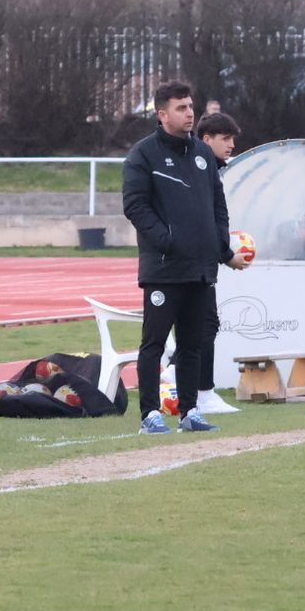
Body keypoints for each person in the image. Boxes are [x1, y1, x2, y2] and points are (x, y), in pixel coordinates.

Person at [122, 80, 244, 434]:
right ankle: (149, 414)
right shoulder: (142, 155)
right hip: (165, 268)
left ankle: (189, 411)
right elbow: (135, 207)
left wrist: (219, 246)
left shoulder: (204, 154)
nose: (189, 113)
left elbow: (217, 204)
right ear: (162, 114)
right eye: (181, 108)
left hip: (201, 268)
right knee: (154, 343)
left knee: (194, 343)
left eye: (191, 106)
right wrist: (168, 241)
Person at [189, 111, 251, 416]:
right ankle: (201, 393)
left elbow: (217, 216)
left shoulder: (210, 169)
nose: (231, 145)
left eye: (233, 139)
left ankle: (196, 389)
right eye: (225, 139)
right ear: (206, 139)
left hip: (203, 261)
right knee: (202, 325)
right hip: (189, 263)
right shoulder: (198, 170)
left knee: (203, 325)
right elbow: (206, 218)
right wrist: (226, 254)